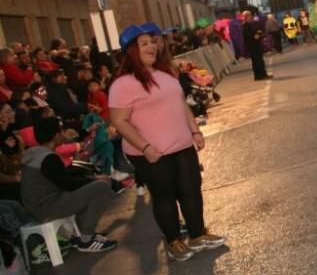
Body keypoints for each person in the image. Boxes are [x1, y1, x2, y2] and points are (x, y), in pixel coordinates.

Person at [109, 23, 226, 262]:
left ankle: (197, 234)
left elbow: (181, 104)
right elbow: (120, 122)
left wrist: (195, 132)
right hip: (152, 153)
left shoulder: (166, 73)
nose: (152, 46)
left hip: (182, 144)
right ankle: (174, 241)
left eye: (152, 41)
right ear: (131, 50)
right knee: (164, 196)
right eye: (144, 43)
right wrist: (145, 147)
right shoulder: (122, 85)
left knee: (191, 189)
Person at [19, 116, 118, 253]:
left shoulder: (33, 153)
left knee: (89, 186)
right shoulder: (48, 158)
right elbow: (69, 185)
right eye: (61, 131)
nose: (64, 134)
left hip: (38, 205)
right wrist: (94, 179)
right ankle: (86, 239)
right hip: (47, 208)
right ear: (56, 135)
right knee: (100, 187)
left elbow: (60, 177)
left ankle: (83, 234)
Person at [241, 11, 270, 81]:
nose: (251, 17)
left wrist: (259, 34)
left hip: (255, 45)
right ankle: (260, 75)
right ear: (246, 17)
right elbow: (251, 35)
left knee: (258, 60)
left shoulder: (250, 25)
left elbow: (256, 33)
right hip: (253, 46)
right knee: (257, 61)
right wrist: (257, 35)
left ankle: (261, 75)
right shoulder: (246, 26)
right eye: (250, 16)